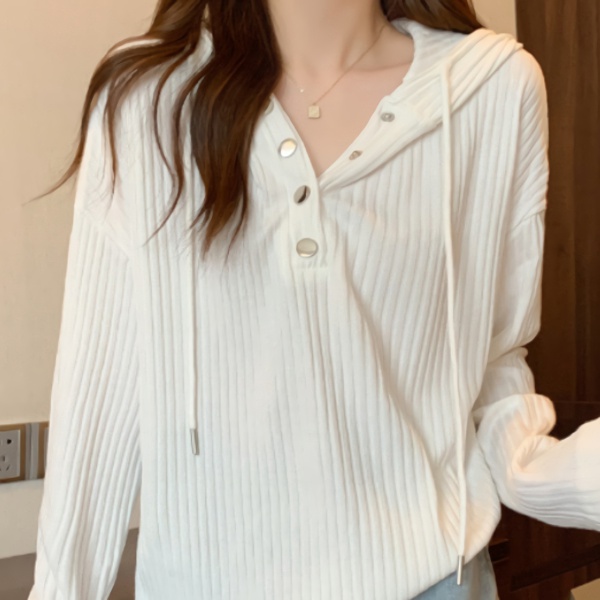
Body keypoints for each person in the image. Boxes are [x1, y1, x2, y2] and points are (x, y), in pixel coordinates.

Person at [28, 0, 600, 598]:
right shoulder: (146, 100)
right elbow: (97, 391)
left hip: (436, 579)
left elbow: (493, 357)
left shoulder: (494, 88)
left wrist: (544, 472)